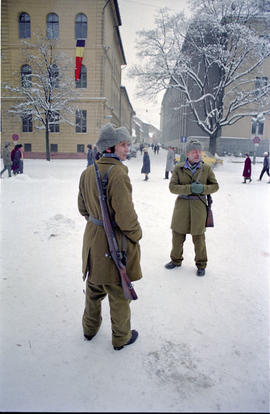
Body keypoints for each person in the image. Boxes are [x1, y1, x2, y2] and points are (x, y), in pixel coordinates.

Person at [78, 123, 142, 350]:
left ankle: (89, 329)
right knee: (118, 293)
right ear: (109, 148)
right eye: (123, 144)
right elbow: (125, 218)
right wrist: (137, 234)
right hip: (114, 244)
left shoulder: (88, 172)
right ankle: (121, 337)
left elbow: (83, 209)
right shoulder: (117, 174)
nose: (127, 149)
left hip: (92, 241)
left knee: (94, 290)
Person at [164, 138, 219, 276]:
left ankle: (201, 264)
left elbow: (215, 186)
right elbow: (172, 187)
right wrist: (189, 188)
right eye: (194, 152)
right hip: (182, 207)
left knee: (199, 238)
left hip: (199, 208)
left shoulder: (206, 169)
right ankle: (175, 260)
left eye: (199, 152)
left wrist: (202, 189)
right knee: (177, 236)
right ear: (187, 153)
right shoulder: (178, 168)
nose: (197, 154)